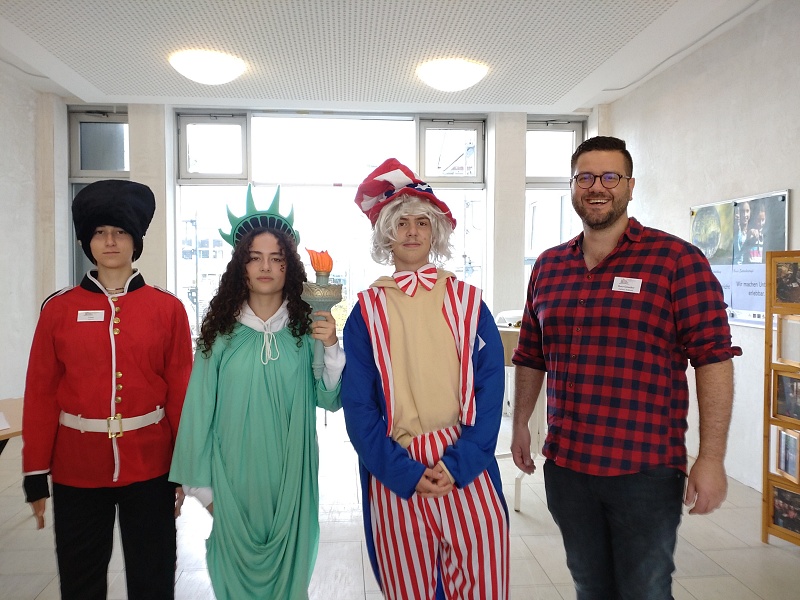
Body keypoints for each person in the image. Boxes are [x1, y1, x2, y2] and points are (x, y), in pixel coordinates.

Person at [511, 136, 742, 600]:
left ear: (630, 186)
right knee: (590, 586)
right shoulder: (549, 266)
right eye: (585, 177)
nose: (597, 187)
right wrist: (520, 423)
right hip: (568, 467)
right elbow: (531, 354)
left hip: (644, 471)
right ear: (572, 186)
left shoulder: (676, 260)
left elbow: (713, 358)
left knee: (644, 591)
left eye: (610, 176)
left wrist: (711, 458)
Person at [342, 159, 509, 600]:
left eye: (422, 222)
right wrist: (403, 472)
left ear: (436, 232)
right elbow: (359, 406)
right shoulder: (366, 312)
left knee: (483, 584)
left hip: (466, 458)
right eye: (401, 223)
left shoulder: (468, 302)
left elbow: (490, 387)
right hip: (398, 464)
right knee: (408, 589)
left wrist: (461, 463)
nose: (412, 231)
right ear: (385, 234)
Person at [169, 187, 344, 600]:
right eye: (255, 257)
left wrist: (331, 346)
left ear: (289, 267)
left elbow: (329, 398)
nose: (266, 267)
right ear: (241, 267)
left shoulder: (304, 333)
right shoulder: (220, 335)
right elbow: (198, 413)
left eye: (276, 258)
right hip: (232, 485)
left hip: (292, 481)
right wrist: (205, 494)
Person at [22, 179, 193, 599]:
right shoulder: (58, 309)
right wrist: (34, 471)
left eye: (120, 232)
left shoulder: (167, 308)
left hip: (150, 466)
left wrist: (185, 466)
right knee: (80, 582)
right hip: (77, 468)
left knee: (153, 580)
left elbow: (181, 392)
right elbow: (41, 392)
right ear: (87, 241)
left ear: (136, 241)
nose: (110, 241)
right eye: (99, 232)